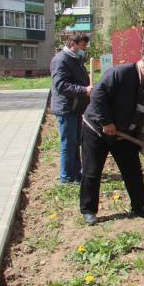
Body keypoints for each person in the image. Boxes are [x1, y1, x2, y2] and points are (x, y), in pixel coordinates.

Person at [80, 54, 144, 225]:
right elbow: (98, 96)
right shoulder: (119, 73)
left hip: (125, 134)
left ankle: (140, 205)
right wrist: (106, 122)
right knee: (92, 171)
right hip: (97, 129)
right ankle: (88, 210)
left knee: (132, 170)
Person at [50, 33, 93, 184]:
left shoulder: (75, 59)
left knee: (75, 142)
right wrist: (84, 91)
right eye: (82, 46)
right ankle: (67, 177)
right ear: (72, 45)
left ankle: (75, 172)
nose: (84, 49)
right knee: (68, 143)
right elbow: (61, 85)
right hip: (66, 108)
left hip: (74, 108)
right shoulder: (61, 60)